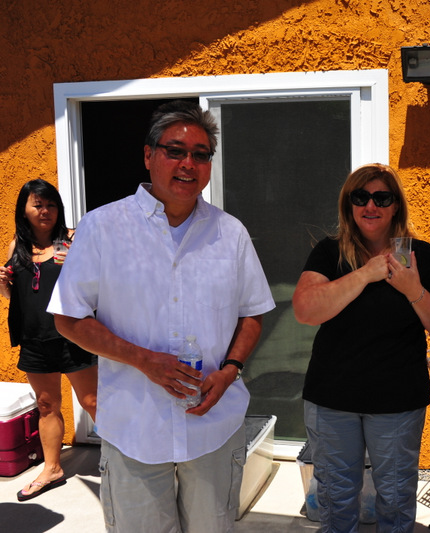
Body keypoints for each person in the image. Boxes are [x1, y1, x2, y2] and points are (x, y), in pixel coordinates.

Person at [47, 100, 275, 533]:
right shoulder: (103, 227)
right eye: (175, 151)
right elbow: (69, 318)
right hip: (134, 427)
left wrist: (230, 371)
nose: (189, 164)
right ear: (149, 155)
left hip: (212, 426)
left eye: (201, 154)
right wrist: (143, 360)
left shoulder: (230, 234)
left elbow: (252, 314)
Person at [293, 163, 430, 532]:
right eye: (360, 197)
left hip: (397, 403)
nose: (370, 206)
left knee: (395, 500)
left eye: (382, 198)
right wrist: (366, 273)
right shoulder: (330, 252)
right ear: (348, 204)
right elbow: (305, 309)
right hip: (332, 399)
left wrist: (413, 289)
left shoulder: (420, 255)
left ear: (396, 206)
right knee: (336, 500)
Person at [0, 179, 97, 502]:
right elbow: (15, 295)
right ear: (24, 210)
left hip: (72, 336)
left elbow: (94, 283)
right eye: (38, 205)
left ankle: (125, 462)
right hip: (34, 339)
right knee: (46, 405)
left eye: (51, 204)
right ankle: (52, 469)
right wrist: (2, 284)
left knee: (93, 401)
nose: (45, 211)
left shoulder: (70, 240)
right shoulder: (17, 247)